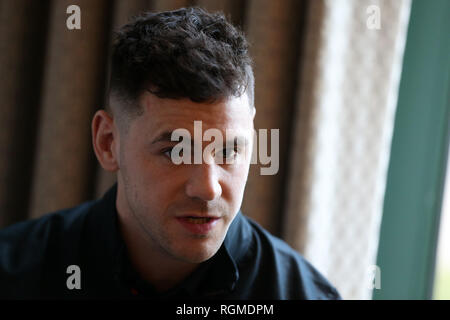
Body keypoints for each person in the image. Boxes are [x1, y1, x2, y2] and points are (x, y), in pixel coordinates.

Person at [0, 7, 340, 299]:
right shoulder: (14, 277)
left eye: (229, 150)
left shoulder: (303, 294)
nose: (208, 188)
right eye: (176, 151)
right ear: (108, 142)